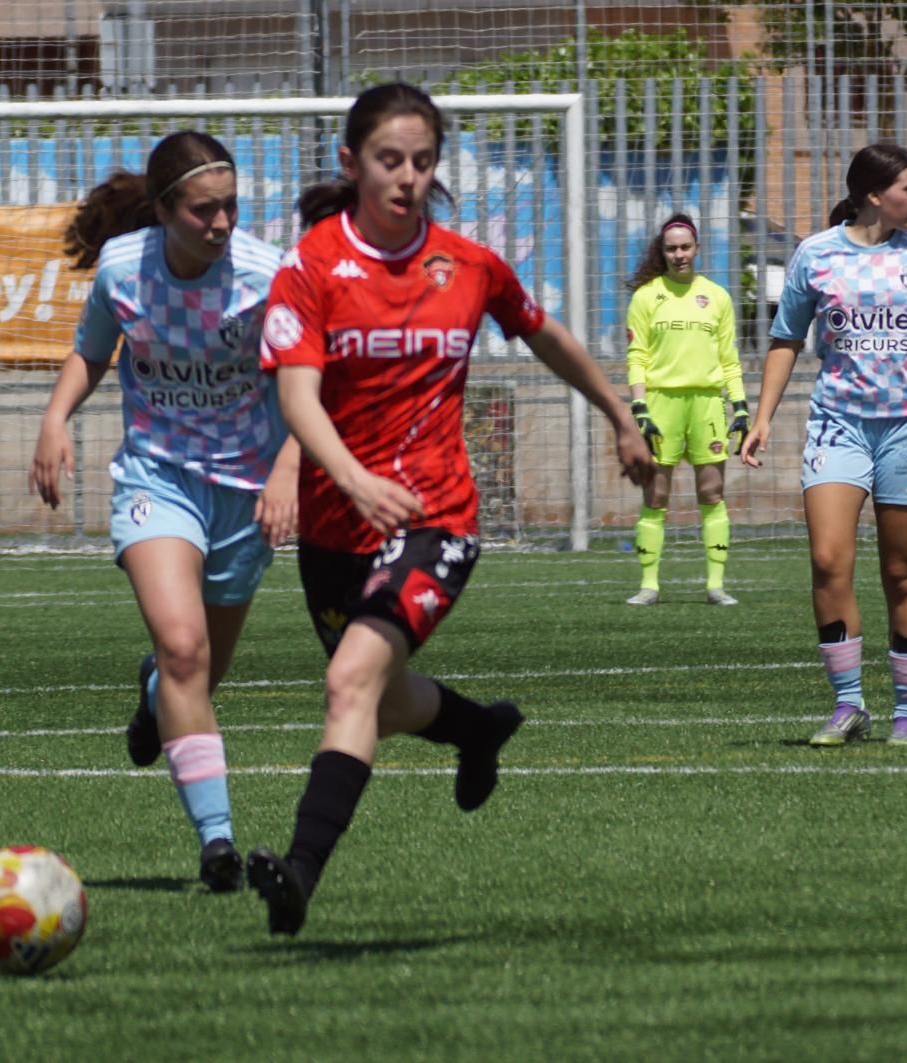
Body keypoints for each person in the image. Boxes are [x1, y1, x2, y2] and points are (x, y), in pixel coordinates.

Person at [248, 82, 655, 936]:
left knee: (348, 682)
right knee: (381, 700)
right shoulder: (312, 266)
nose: (408, 177)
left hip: (436, 517)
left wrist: (619, 414)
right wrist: (350, 479)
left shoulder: (468, 266)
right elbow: (297, 396)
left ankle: (300, 873)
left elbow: (543, 332)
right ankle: (478, 728)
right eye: (389, 160)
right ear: (351, 163)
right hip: (336, 525)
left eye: (423, 161)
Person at [28, 130, 300, 893]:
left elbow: (308, 380)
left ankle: (156, 697)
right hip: (158, 478)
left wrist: (289, 466)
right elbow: (92, 350)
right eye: (204, 210)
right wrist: (55, 417)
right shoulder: (123, 268)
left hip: (247, 490)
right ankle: (217, 842)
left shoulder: (267, 276)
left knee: (195, 675)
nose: (222, 224)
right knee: (184, 649)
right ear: (163, 210)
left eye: (231, 207)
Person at [739, 142, 907, 749]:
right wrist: (762, 418)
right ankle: (848, 705)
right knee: (827, 561)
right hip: (837, 426)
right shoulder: (816, 255)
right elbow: (786, 338)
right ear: (873, 194)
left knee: (901, 571)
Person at [623, 213, 749, 607]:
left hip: (707, 403)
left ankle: (716, 585)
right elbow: (637, 356)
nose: (679, 254)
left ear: (697, 249)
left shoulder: (717, 297)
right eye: (671, 249)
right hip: (661, 404)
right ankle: (649, 586)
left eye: (685, 247)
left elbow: (729, 358)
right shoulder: (646, 297)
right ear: (662, 252)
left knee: (712, 492)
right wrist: (640, 405)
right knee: (656, 495)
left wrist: (740, 406)